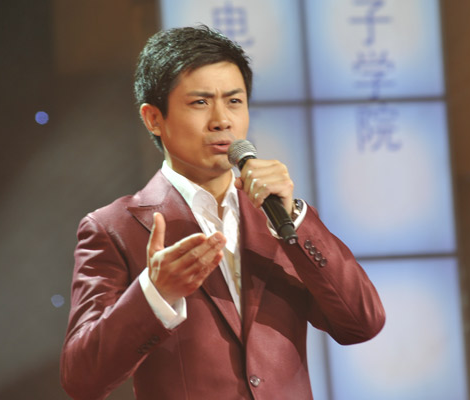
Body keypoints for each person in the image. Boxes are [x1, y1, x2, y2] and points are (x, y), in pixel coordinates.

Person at [60, 25, 385, 400]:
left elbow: (363, 323)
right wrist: (155, 293)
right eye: (200, 103)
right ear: (153, 118)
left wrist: (295, 218)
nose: (222, 120)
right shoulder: (113, 228)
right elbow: (81, 378)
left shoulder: (280, 217)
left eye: (234, 101)